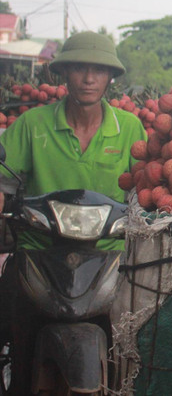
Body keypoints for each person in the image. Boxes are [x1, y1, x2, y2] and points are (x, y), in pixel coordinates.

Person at [0, 30, 147, 395]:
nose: (88, 78)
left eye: (98, 70)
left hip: (108, 257)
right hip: (39, 251)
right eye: (79, 69)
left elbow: (146, 189)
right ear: (63, 74)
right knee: (10, 324)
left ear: (110, 78)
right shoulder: (32, 126)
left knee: (133, 347)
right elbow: (2, 182)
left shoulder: (128, 128)